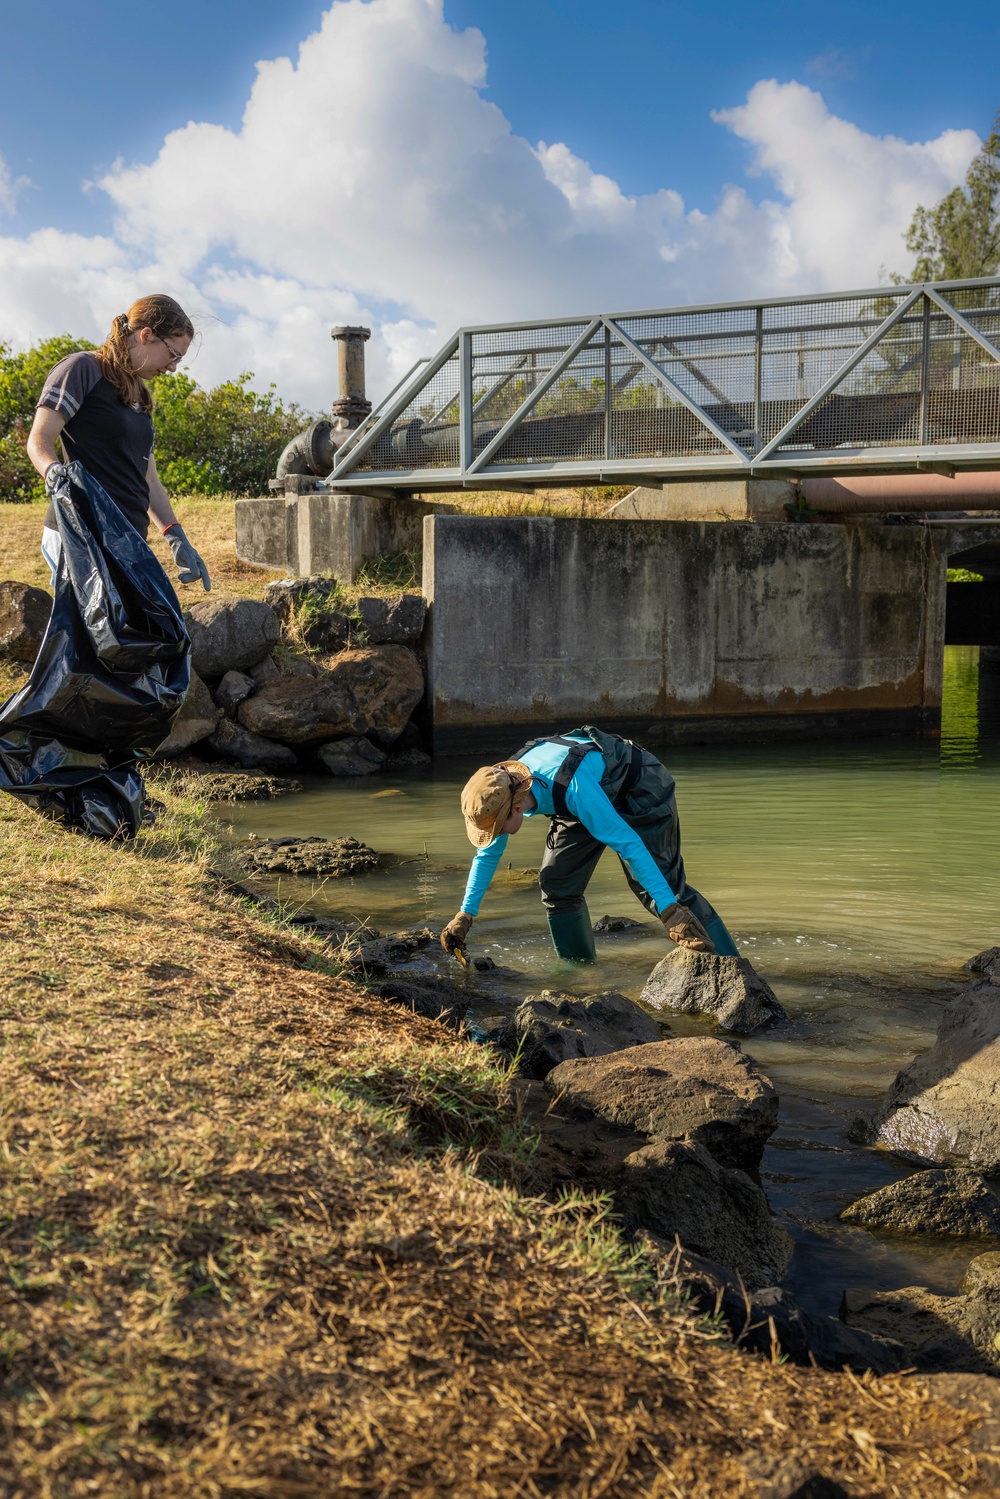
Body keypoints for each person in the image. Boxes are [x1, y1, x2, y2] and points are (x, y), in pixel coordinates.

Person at [441, 726, 739, 963]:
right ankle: (579, 973)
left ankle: (734, 969)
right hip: (582, 799)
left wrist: (670, 911)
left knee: (664, 890)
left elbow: (629, 845)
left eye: (496, 829)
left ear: (516, 809)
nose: (494, 836)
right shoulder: (503, 788)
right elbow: (486, 855)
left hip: (640, 786)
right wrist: (465, 915)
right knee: (558, 883)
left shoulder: (572, 788)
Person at [26, 294, 211, 591]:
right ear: (147, 335)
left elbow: (148, 478)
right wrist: (52, 472)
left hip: (128, 538)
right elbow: (39, 439)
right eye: (173, 355)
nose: (174, 367)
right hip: (81, 531)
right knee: (98, 635)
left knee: (144, 634)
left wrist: (175, 535)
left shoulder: (141, 398)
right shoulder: (82, 369)